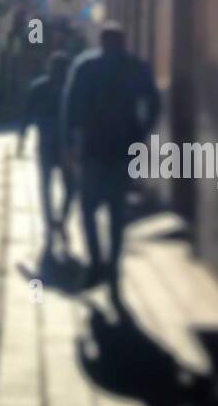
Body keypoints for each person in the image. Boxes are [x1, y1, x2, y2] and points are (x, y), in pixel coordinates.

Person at [62, 23, 160, 297]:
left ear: (101, 42)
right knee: (117, 213)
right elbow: (153, 102)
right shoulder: (136, 67)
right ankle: (112, 267)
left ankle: (97, 262)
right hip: (123, 149)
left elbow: (70, 108)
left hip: (93, 149)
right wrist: (141, 132)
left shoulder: (85, 66)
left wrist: (70, 145)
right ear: (124, 41)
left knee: (88, 210)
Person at [17, 51, 71, 251]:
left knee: (47, 185)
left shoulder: (41, 86)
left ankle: (52, 222)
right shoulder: (68, 87)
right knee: (69, 186)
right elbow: (26, 112)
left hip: (49, 144)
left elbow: (25, 114)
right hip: (65, 146)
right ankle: (58, 220)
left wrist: (21, 139)